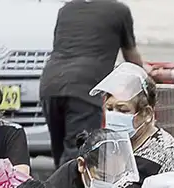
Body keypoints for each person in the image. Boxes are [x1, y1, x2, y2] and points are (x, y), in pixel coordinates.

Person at [39, 0, 145, 169]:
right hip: (84, 90)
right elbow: (131, 56)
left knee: (61, 155)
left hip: (51, 85)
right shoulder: (119, 10)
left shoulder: (67, 9)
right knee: (78, 154)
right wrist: (146, 76)